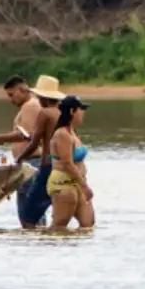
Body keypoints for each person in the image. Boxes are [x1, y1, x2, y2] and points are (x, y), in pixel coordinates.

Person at [0, 74, 64, 228]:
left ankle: (33, 242)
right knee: (35, 208)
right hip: (37, 161)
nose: (11, 100)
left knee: (29, 213)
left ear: (21, 90)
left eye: (12, 95)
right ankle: (38, 239)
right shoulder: (43, 108)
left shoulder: (31, 106)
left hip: (32, 162)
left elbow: (28, 136)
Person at [47, 94, 95, 231]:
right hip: (63, 183)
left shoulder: (72, 132)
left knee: (88, 224)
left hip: (77, 182)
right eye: (81, 109)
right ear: (72, 111)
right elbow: (67, 163)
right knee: (59, 227)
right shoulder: (62, 134)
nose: (83, 113)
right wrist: (85, 186)